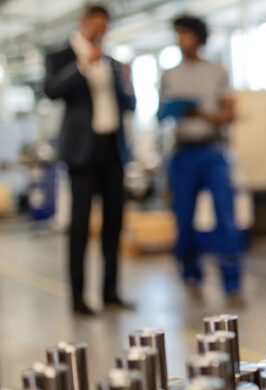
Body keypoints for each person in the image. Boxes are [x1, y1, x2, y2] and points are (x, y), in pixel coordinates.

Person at [43, 3, 136, 316]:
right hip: (82, 152)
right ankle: (79, 298)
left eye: (106, 26)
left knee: (113, 224)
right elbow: (52, 90)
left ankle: (110, 291)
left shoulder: (112, 62)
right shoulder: (62, 57)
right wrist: (83, 64)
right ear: (85, 23)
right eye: (98, 25)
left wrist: (127, 79)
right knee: (80, 226)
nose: (102, 31)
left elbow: (130, 104)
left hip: (112, 149)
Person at [159, 14, 243, 297]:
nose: (181, 40)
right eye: (177, 34)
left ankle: (231, 280)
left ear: (198, 36)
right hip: (183, 154)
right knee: (183, 219)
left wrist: (201, 112)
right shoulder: (169, 75)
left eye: (185, 33)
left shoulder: (217, 71)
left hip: (212, 151)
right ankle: (191, 274)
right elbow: (163, 116)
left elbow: (229, 114)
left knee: (225, 217)